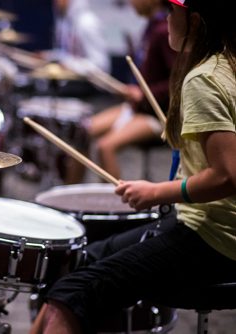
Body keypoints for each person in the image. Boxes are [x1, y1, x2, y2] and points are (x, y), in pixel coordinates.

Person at [30, 0, 236, 332]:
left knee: (74, 291)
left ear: (195, 23)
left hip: (214, 237)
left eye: (172, 12)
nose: (165, 18)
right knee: (83, 257)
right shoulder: (226, 63)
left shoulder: (204, 79)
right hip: (210, 224)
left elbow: (227, 176)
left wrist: (157, 192)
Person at [72, 0, 176, 181]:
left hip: (159, 114)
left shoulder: (163, 31)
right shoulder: (151, 27)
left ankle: (115, 206)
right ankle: (70, 192)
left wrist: (144, 93)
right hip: (139, 107)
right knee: (82, 131)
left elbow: (177, 82)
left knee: (106, 147)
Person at [51, 0, 111, 73]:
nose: (56, 2)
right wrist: (49, 57)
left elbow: (101, 65)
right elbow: (67, 54)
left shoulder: (87, 23)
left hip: (88, 83)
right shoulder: (66, 22)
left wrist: (70, 65)